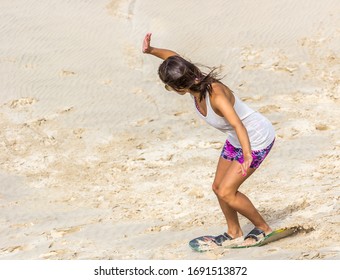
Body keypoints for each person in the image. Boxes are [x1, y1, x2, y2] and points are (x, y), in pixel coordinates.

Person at [142, 33, 276, 246]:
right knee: (217, 187)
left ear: (178, 87)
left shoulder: (216, 96)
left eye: (168, 87)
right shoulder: (192, 81)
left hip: (256, 139)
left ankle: (264, 228)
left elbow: (238, 124)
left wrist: (248, 155)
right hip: (236, 139)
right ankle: (233, 232)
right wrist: (151, 51)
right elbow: (173, 57)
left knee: (227, 191)